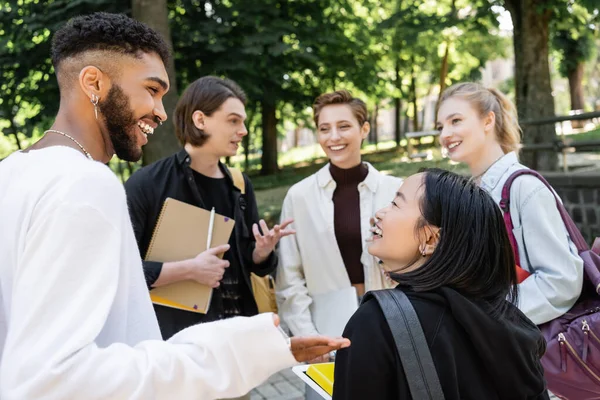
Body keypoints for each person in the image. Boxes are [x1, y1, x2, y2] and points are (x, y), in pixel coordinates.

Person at [0, 13, 348, 400]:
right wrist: (238, 351)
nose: (162, 112)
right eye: (151, 89)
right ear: (93, 82)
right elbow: (53, 379)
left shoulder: (11, 174)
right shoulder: (87, 183)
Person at [333, 169, 550, 399]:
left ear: (430, 239)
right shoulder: (513, 327)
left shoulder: (376, 323)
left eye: (396, 204)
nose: (379, 213)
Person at [125, 76, 293, 345]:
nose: (244, 130)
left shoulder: (239, 185)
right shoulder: (146, 185)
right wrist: (189, 270)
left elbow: (250, 265)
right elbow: (124, 271)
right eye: (233, 120)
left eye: (243, 122)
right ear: (200, 120)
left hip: (236, 343)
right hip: (175, 346)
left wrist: (261, 254)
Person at [436, 82, 583, 325]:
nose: (444, 135)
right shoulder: (469, 193)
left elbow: (561, 281)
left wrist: (486, 315)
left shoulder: (524, 188)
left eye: (456, 121)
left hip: (530, 348)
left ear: (488, 121)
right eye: (440, 127)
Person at [276, 90, 402, 341]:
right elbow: (289, 278)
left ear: (364, 129)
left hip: (393, 319)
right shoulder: (299, 197)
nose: (333, 137)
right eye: (324, 129)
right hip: (325, 327)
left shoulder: (397, 190)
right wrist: (307, 335)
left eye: (344, 126)